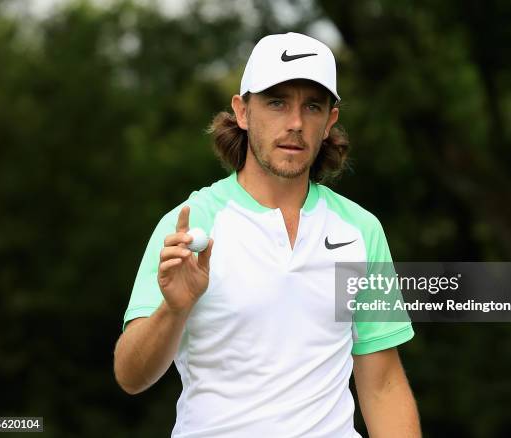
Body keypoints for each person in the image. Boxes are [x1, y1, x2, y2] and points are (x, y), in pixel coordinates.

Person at [113, 32, 421, 438]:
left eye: (312, 106)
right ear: (242, 112)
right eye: (277, 102)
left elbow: (382, 385)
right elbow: (131, 376)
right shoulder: (191, 225)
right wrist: (174, 310)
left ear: (330, 121)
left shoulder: (361, 230)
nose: (295, 123)